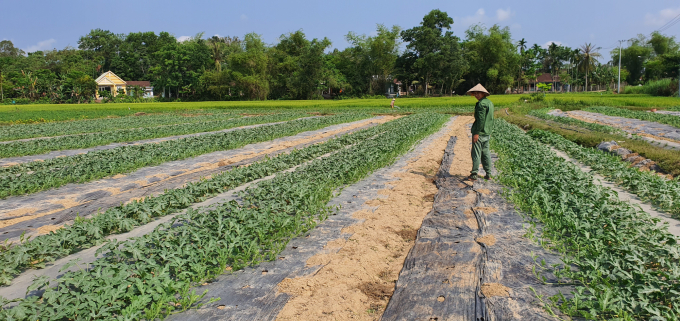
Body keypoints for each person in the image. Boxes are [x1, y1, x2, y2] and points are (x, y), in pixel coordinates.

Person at [465, 84, 494, 181]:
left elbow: (481, 120)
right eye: (475, 93)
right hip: (487, 132)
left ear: (483, 93)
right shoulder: (489, 103)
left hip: (480, 132)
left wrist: (476, 133)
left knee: (476, 153)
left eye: (478, 93)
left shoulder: (481, 104)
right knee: (485, 153)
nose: (476, 95)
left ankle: (474, 174)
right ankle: (488, 174)